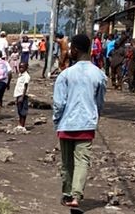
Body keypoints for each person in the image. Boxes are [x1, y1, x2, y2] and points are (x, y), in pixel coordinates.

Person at [53, 33, 107, 210]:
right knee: (83, 160)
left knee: (67, 161)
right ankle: (76, 195)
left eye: (70, 49)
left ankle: (68, 194)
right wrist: (94, 117)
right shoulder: (99, 75)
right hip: (87, 124)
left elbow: (59, 103)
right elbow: (99, 103)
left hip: (66, 124)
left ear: (75, 49)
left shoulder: (65, 75)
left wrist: (56, 121)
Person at [14, 62, 31, 130]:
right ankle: (20, 124)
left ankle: (22, 125)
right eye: (19, 67)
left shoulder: (26, 76)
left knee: (23, 111)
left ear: (26, 68)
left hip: (22, 95)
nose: (20, 69)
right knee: (19, 110)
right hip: (18, 94)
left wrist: (22, 97)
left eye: (22, 67)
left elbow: (25, 86)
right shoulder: (20, 75)